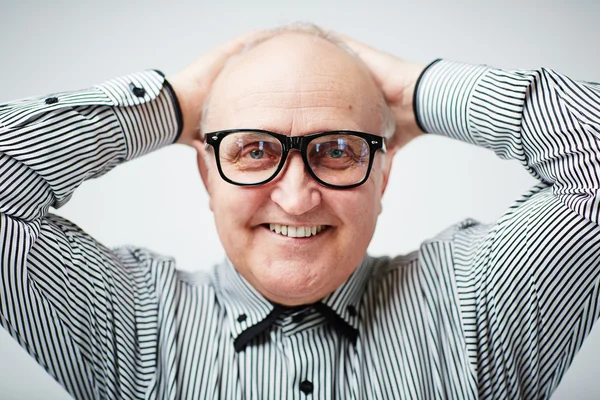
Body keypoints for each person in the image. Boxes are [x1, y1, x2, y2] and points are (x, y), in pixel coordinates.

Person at [0, 24, 598, 399]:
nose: (295, 196)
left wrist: (420, 90)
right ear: (207, 173)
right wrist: (170, 104)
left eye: (337, 149)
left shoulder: (481, 306)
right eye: (253, 150)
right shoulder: (128, 323)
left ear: (383, 173)